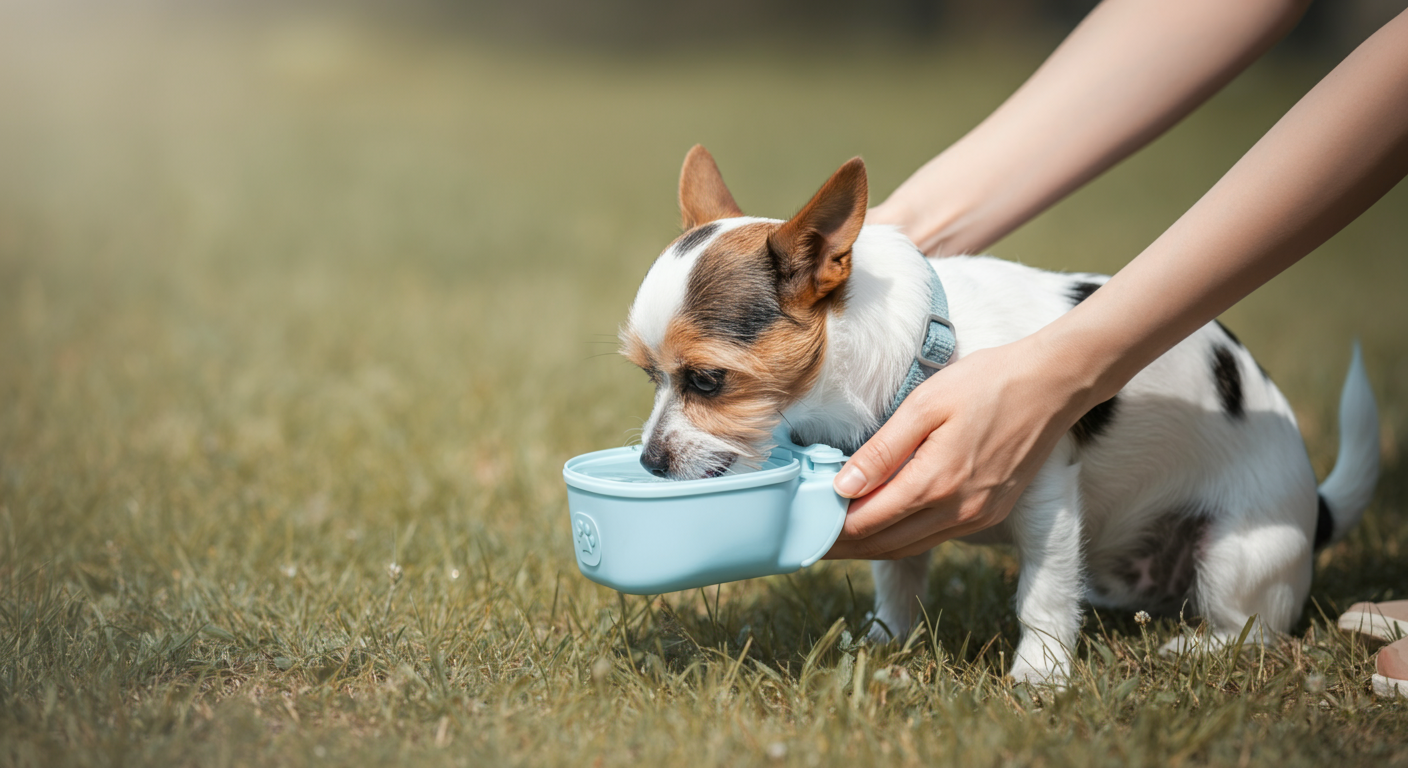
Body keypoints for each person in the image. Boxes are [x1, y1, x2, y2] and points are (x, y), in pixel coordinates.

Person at [824, 0, 1408, 696]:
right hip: (1126, 535)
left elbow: (1050, 475)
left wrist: (1057, 374)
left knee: (1185, 556)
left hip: (1237, 502)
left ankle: (1233, 627)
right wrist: (903, 231)